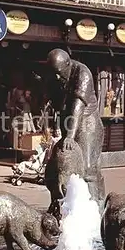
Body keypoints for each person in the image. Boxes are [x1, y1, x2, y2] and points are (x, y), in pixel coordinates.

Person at [45, 48, 105, 204]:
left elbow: (77, 107)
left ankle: (95, 207)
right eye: (54, 73)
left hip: (87, 121)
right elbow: (56, 105)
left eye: (59, 72)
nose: (57, 76)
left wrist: (70, 136)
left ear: (68, 63)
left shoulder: (82, 73)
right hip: (68, 119)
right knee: (64, 166)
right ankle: (67, 205)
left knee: (88, 168)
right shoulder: (54, 75)